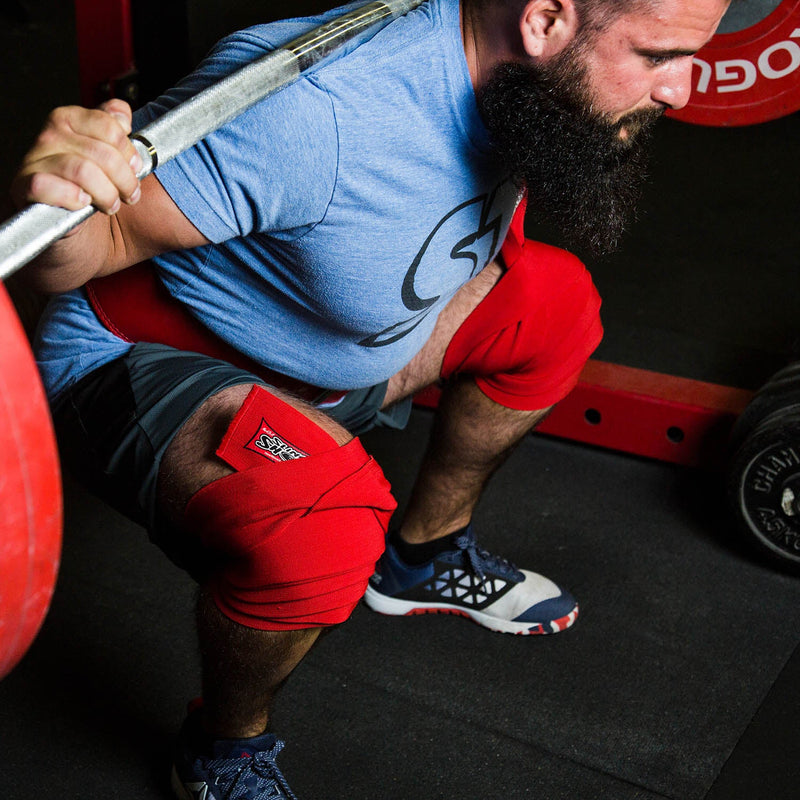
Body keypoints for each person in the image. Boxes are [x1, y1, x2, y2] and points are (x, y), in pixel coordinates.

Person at [10, 0, 729, 797]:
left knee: (554, 307)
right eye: (659, 54)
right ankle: (220, 751)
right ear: (546, 20)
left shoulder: (512, 69)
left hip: (334, 353)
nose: (683, 91)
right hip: (146, 354)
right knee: (321, 526)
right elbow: (85, 253)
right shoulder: (312, 112)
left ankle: (420, 556)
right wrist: (55, 199)